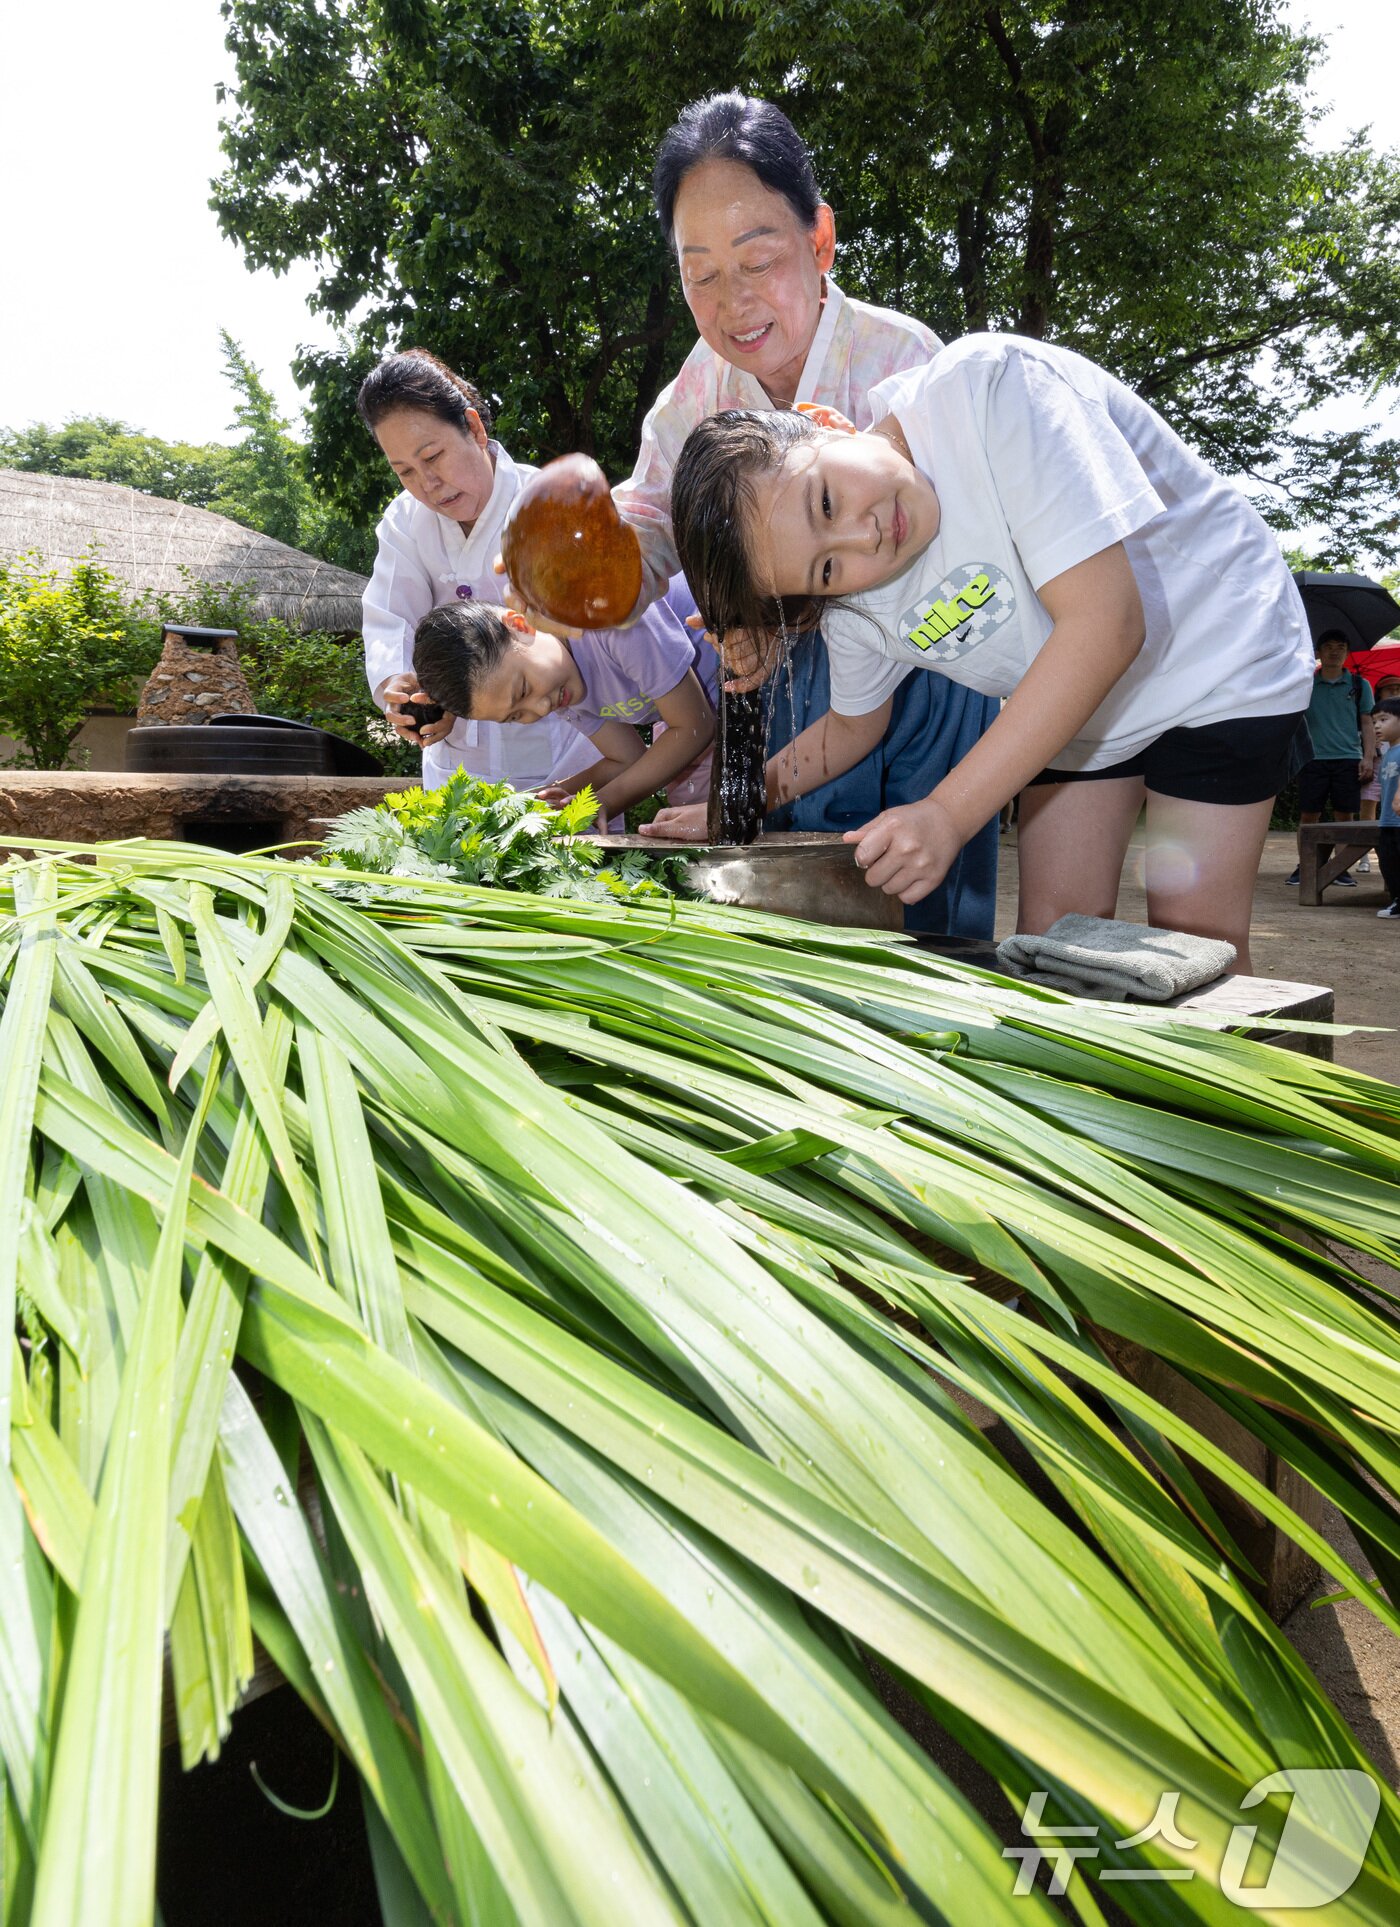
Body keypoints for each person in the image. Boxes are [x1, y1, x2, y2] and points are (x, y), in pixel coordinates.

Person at [645, 334, 1316, 974]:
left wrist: (947, 813)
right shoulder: (857, 602)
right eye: (824, 570)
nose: (864, 538)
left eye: (825, 500)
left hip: (1216, 654)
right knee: (1054, 940)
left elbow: (1106, 623)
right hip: (1077, 708)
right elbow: (854, 726)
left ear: (824, 419)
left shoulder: (991, 389)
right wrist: (744, 798)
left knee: (1194, 940)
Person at [507, 92, 997, 937]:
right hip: (785, 708)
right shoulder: (684, 405)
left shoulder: (903, 359)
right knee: (812, 906)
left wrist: (793, 609)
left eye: (757, 257)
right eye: (700, 274)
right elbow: (649, 534)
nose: (733, 301)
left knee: (936, 905)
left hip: (930, 674)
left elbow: (950, 546)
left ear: (819, 240)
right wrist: (581, 577)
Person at [358, 349, 600, 793]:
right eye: (405, 471)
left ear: (473, 427)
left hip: (567, 753)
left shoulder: (549, 504)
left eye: (432, 456)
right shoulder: (404, 522)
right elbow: (390, 618)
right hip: (457, 767)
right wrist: (407, 687)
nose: (427, 484)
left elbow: (595, 636)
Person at [411, 578, 716, 829]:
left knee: (725, 814)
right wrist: (553, 797)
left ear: (520, 625)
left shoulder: (609, 616)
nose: (541, 709)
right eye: (516, 716)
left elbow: (693, 727)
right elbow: (627, 757)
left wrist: (604, 803)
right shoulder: (558, 685)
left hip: (744, 682)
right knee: (691, 822)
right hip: (693, 715)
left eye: (522, 690)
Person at [1286, 631, 1376, 891]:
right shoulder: (1306, 684)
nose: (1334, 651)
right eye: (1328, 646)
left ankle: (1341, 868)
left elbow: (1367, 722)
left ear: (1348, 652)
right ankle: (1306, 866)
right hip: (1312, 758)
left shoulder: (1359, 684)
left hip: (1348, 758)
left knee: (1344, 816)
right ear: (1319, 652)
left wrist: (1368, 757)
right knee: (1308, 815)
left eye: (1340, 647)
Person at [1373, 698, 1400, 919]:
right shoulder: (1388, 752)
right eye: (1374, 722)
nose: (1377, 726)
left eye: (1384, 719)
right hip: (1388, 820)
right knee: (1388, 862)